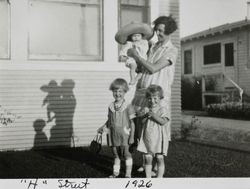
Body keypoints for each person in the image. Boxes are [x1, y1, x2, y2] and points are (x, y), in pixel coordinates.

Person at [127, 15, 178, 176]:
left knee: (158, 128)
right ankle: (146, 162)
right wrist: (135, 66)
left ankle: (157, 165)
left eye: (161, 30)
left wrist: (137, 57)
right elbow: (145, 68)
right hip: (145, 92)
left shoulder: (171, 50)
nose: (157, 33)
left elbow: (154, 68)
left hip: (158, 96)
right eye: (156, 29)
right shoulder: (154, 46)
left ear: (169, 32)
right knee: (144, 127)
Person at [97, 78, 135, 178]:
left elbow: (132, 123)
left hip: (125, 135)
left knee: (126, 154)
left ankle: (128, 174)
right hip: (113, 134)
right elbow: (109, 120)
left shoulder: (128, 106)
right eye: (115, 91)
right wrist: (103, 127)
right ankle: (115, 173)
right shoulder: (110, 106)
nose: (117, 93)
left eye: (120, 91)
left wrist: (132, 137)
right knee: (116, 155)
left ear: (125, 92)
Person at [137, 85, 170, 178]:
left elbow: (163, 122)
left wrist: (153, 115)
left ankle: (159, 178)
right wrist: (144, 116)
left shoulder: (163, 109)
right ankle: (148, 179)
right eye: (149, 98)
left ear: (160, 98)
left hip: (159, 138)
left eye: (155, 98)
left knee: (159, 158)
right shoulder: (146, 109)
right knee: (148, 157)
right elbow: (142, 122)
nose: (152, 101)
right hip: (148, 136)